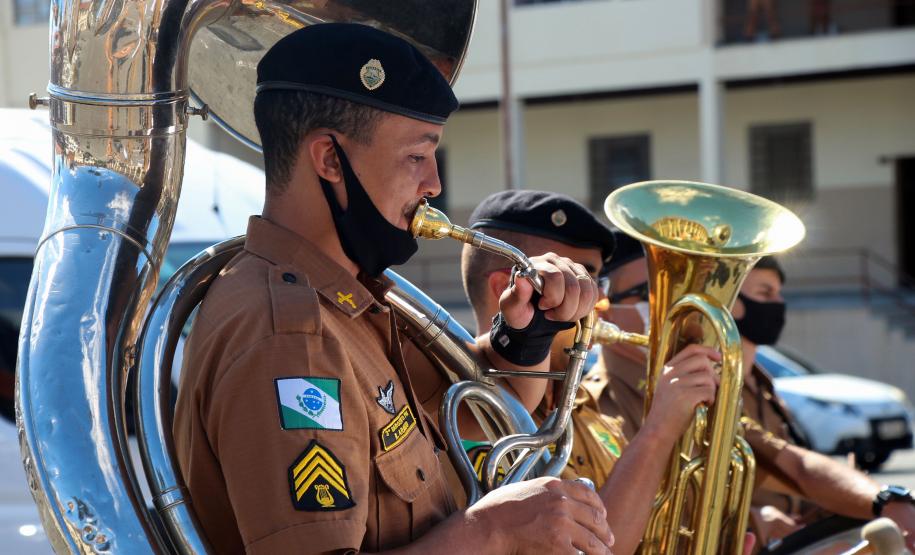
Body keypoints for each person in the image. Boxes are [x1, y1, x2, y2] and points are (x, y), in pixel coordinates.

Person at [173, 24, 613, 555]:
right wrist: (493, 530)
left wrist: (523, 336)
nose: (434, 185)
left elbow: (483, 414)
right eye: (416, 157)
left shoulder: (349, 298)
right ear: (329, 160)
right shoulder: (291, 335)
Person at [589, 232, 915, 550]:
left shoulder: (706, 392)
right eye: (648, 292)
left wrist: (886, 500)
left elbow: (790, 463)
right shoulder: (591, 406)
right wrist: (757, 522)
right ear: (604, 310)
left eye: (679, 290)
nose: (670, 305)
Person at [452, 190, 722, 554]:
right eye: (574, 282)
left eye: (596, 285)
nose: (599, 304)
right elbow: (595, 546)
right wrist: (659, 429)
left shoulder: (591, 413)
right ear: (506, 288)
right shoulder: (464, 418)